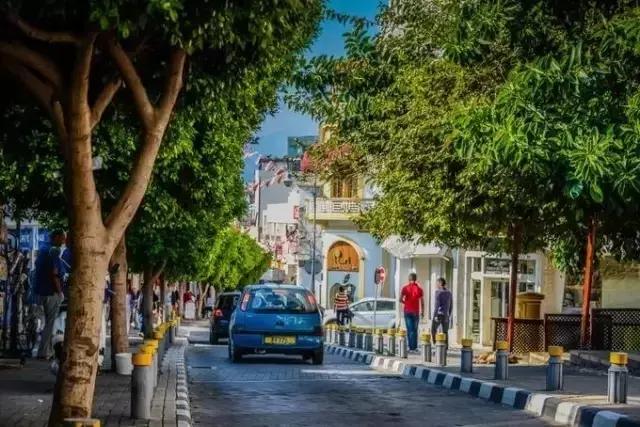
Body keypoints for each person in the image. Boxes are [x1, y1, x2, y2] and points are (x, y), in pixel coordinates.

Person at [35, 230, 67, 360]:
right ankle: (44, 352)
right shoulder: (52, 251)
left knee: (45, 323)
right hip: (50, 292)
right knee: (50, 323)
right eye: (62, 238)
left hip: (40, 291)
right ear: (56, 237)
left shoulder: (43, 249)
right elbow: (54, 274)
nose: (64, 241)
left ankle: (44, 350)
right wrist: (60, 292)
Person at [400, 273, 423, 352]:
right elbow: (422, 302)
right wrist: (422, 312)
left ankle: (411, 347)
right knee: (415, 330)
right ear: (415, 279)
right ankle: (415, 347)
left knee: (410, 330)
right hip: (416, 312)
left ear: (409, 279)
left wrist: (406, 303)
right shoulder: (419, 289)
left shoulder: (405, 288)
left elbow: (400, 299)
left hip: (407, 311)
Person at [431, 277, 452, 347]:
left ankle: (436, 345)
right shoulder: (449, 293)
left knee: (433, 330)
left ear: (440, 283)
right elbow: (451, 305)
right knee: (445, 332)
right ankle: (445, 347)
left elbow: (436, 306)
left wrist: (435, 316)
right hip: (446, 315)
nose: (436, 285)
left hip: (439, 315)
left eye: (437, 283)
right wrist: (448, 315)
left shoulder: (438, 292)